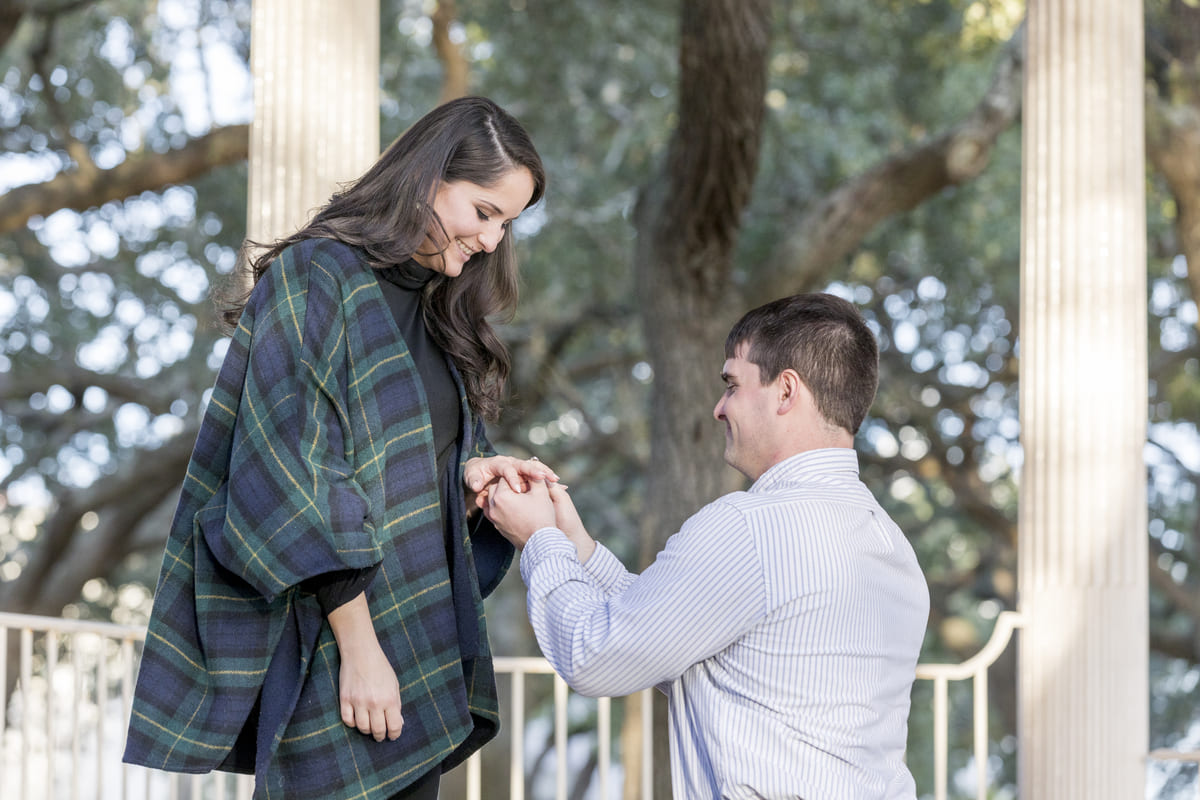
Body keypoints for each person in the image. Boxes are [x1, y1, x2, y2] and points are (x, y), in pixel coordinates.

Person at [123, 96, 557, 800]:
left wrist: (468, 476)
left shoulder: (436, 311)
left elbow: (389, 469)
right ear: (427, 176)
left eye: (508, 223)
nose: (492, 240)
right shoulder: (318, 277)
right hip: (336, 646)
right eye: (484, 212)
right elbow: (292, 472)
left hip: (419, 645)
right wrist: (360, 650)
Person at [481, 293, 931, 799]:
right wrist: (577, 546)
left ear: (785, 391)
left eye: (732, 386)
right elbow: (700, 646)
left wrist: (539, 541)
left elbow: (596, 657)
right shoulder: (890, 544)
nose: (718, 409)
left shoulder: (750, 526)